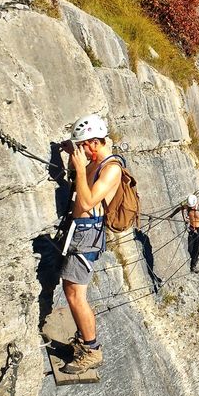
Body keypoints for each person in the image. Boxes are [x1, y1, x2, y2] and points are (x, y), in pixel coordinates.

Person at [57, 114, 122, 374]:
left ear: (94, 143)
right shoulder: (96, 160)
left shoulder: (111, 168)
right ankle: (87, 342)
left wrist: (81, 169)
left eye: (83, 145)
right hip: (80, 231)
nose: (81, 151)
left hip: (88, 235)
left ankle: (92, 350)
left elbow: (86, 203)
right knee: (71, 290)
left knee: (75, 294)